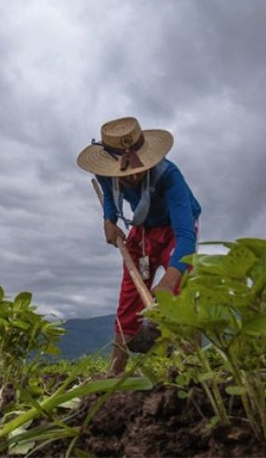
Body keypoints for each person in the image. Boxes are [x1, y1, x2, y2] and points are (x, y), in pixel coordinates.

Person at [76, 116, 200, 373]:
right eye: (124, 175)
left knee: (182, 288)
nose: (130, 179)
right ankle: (115, 371)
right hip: (143, 228)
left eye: (136, 173)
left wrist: (169, 281)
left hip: (176, 228)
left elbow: (186, 235)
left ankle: (194, 368)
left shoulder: (169, 176)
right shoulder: (105, 172)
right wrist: (109, 220)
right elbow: (110, 196)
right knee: (130, 295)